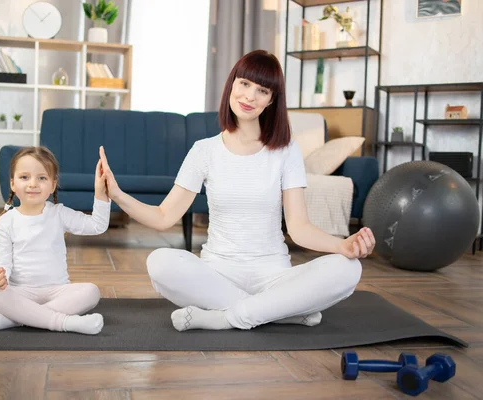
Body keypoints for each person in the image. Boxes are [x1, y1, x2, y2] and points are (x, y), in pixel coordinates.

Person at [99, 49, 375, 332]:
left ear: (271, 100)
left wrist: (341, 246)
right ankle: (278, 311)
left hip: (274, 275)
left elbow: (300, 227)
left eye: (262, 90)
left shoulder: (285, 150)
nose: (249, 96)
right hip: (216, 275)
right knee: (160, 261)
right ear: (232, 84)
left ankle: (228, 317)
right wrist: (117, 194)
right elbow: (163, 216)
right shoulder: (204, 151)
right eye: (244, 84)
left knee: (348, 268)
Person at [0, 146, 110, 335]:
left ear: (52, 185)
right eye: (24, 177)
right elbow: (1, 260)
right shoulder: (6, 222)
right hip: (20, 292)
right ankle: (66, 322)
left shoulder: (59, 214)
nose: (33, 184)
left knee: (91, 291)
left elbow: (97, 225)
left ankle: (16, 319)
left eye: (42, 178)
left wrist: (100, 193)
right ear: (12, 184)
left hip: (57, 291)